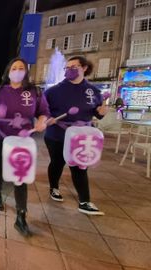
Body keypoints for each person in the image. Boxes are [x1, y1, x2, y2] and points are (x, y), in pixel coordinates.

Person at [0, 57, 49, 236]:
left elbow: (44, 112)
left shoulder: (35, 91)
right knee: (0, 169)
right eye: (14, 67)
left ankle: (21, 216)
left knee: (21, 176)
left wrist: (42, 121)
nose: (18, 70)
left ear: (26, 71)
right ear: (8, 71)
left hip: (22, 141)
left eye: (21, 68)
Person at [44, 56, 107, 215]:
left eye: (74, 66)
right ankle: (54, 188)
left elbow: (98, 113)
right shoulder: (53, 91)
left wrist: (101, 112)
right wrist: (46, 118)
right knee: (57, 162)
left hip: (82, 136)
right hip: (57, 134)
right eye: (67, 67)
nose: (69, 70)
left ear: (84, 68)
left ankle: (84, 201)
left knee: (80, 166)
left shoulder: (93, 91)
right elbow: (42, 111)